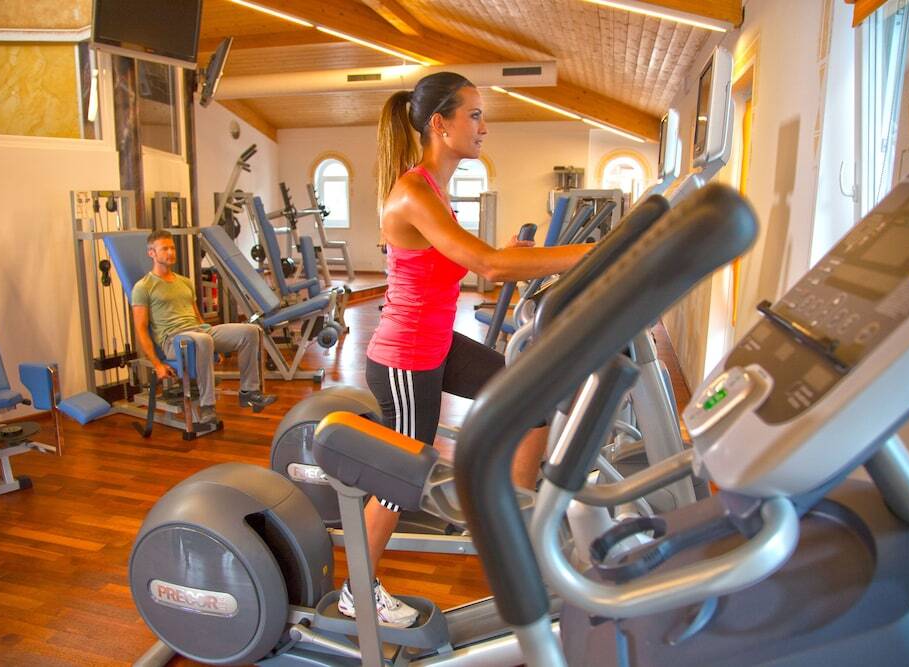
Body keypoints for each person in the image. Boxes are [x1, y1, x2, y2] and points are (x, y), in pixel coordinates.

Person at [336, 72, 593, 627]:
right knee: (400, 480)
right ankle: (356, 590)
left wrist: (508, 254)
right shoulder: (413, 191)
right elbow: (488, 267)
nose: (483, 127)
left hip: (437, 343)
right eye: (474, 115)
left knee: (530, 401)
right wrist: (592, 252)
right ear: (440, 124)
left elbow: (468, 261)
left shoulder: (434, 189)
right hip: (406, 358)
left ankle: (512, 531)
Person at [131, 229, 275, 424]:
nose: (171, 252)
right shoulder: (143, 287)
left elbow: (196, 316)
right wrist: (157, 364)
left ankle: (249, 392)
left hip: (200, 331)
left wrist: (217, 344)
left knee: (251, 331)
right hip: (174, 340)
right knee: (204, 339)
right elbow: (140, 329)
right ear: (152, 253)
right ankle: (207, 406)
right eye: (164, 249)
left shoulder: (185, 282)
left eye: (172, 248)